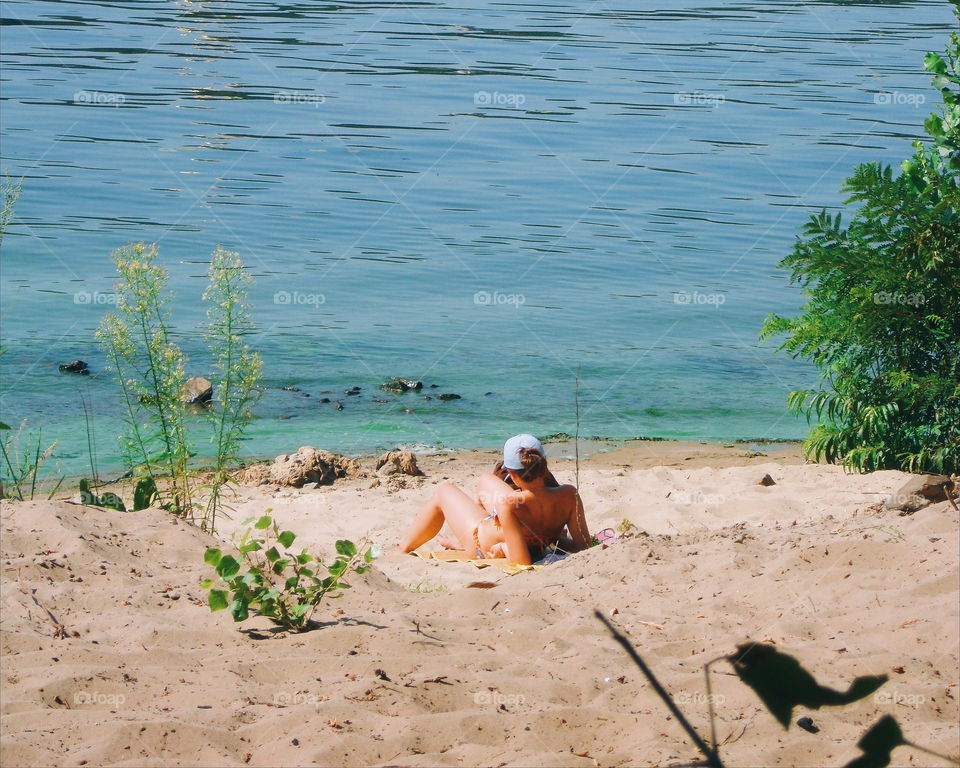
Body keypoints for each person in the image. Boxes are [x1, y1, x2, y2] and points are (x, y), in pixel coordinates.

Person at [398, 434, 592, 566]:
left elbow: (521, 563)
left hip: (479, 543)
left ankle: (402, 549)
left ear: (510, 474)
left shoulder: (510, 503)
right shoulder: (570, 494)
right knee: (485, 480)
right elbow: (585, 548)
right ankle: (460, 542)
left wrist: (503, 548)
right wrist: (552, 539)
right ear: (544, 467)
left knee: (444, 490)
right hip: (534, 538)